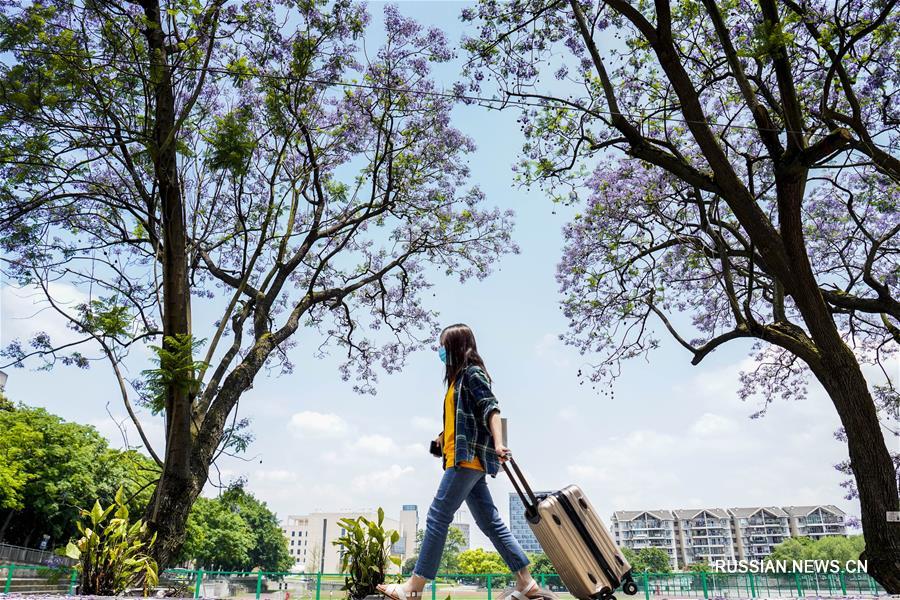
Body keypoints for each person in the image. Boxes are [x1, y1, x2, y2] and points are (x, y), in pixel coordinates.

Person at [377, 324, 557, 600]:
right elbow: (461, 421)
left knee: (438, 516)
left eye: (443, 346)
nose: (439, 351)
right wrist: (440, 440)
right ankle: (526, 582)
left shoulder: (472, 374)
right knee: (490, 522)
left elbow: (491, 408)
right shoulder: (456, 380)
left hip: (467, 460)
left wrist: (498, 443)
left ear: (457, 347)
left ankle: (414, 586)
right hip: (459, 458)